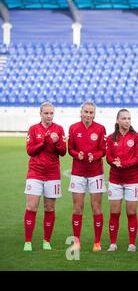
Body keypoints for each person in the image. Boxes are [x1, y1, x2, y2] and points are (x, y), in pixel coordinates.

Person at [23, 102, 66, 251]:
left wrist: (55, 142)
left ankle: (46, 241)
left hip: (52, 174)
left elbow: (62, 151)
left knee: (49, 208)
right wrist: (44, 141)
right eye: (46, 113)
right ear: (40, 113)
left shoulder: (59, 129)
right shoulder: (33, 129)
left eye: (51, 113)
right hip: (35, 173)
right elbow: (30, 150)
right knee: (31, 206)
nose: (49, 116)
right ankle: (28, 241)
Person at [68, 101, 107, 252]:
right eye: (86, 112)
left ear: (94, 114)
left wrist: (94, 155)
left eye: (91, 113)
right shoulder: (73, 128)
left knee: (96, 207)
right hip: (78, 173)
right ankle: (76, 242)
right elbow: (70, 149)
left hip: (96, 173)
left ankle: (97, 242)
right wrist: (78, 154)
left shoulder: (100, 128)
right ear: (81, 112)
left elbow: (103, 150)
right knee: (78, 208)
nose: (88, 115)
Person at [105, 109, 138, 252]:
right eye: (124, 118)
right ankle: (113, 243)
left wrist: (123, 164)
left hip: (132, 180)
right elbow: (108, 156)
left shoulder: (137, 137)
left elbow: (137, 158)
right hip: (115, 180)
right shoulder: (110, 138)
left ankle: (132, 244)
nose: (127, 121)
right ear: (117, 120)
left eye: (129, 118)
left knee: (131, 212)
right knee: (115, 212)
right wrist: (114, 162)